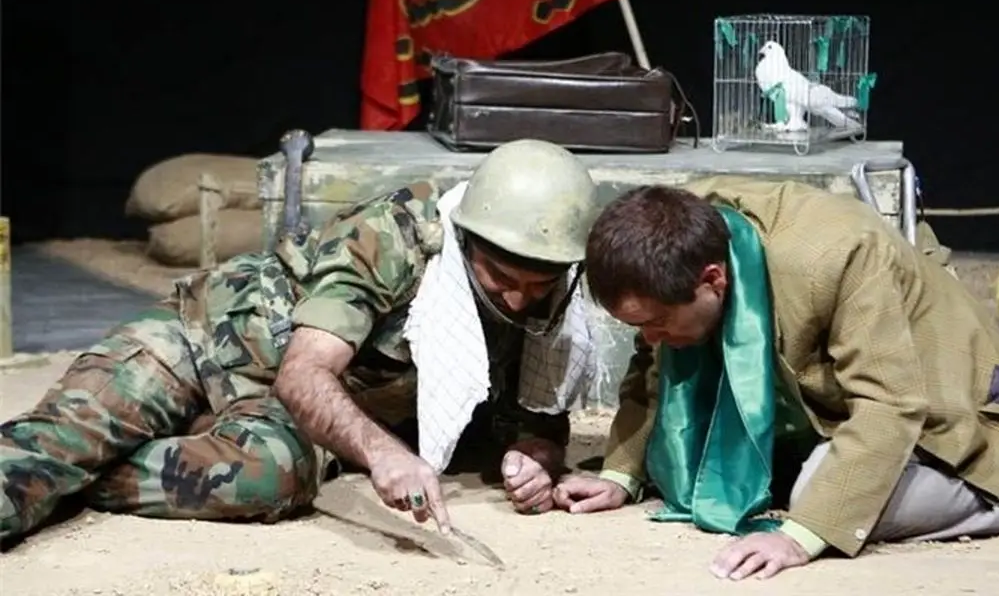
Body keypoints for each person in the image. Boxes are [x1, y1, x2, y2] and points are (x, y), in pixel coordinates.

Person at [0, 138, 601, 544]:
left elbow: (540, 417)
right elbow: (305, 373)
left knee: (274, 480)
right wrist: (385, 453)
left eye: (537, 286)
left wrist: (536, 460)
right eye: (502, 280)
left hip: (284, 413)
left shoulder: (548, 298)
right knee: (56, 446)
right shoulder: (391, 238)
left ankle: (78, 475)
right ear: (466, 242)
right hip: (200, 342)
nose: (517, 301)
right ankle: (60, 463)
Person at [554, 177, 999, 581]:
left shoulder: (838, 255)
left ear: (713, 280)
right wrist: (622, 473)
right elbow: (651, 365)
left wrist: (802, 536)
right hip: (823, 396)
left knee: (819, 495)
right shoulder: (677, 235)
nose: (650, 339)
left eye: (656, 323)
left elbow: (890, 404)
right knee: (694, 463)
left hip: (937, 397)